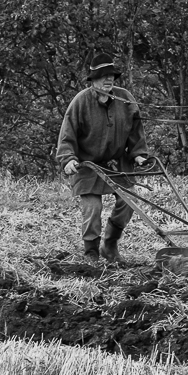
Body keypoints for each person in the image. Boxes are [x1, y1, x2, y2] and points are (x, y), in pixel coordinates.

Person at [56, 53, 150, 263]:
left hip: (116, 165)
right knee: (93, 207)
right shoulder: (80, 102)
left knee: (129, 200)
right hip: (87, 166)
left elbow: (136, 131)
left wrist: (139, 156)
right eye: (103, 76)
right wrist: (68, 159)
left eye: (111, 76)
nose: (108, 80)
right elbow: (67, 135)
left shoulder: (125, 98)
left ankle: (110, 244)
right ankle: (91, 252)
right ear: (93, 79)